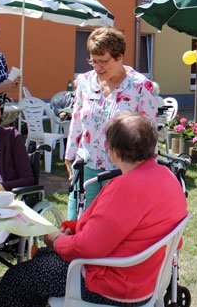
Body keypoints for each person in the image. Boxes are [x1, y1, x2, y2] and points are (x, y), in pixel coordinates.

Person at [0, 113, 188, 307]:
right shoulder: (167, 177)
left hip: (114, 285)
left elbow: (88, 248)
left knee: (17, 279)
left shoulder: (126, 187)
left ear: (112, 151)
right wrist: (74, 231)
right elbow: (117, 228)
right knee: (41, 259)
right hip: (147, 277)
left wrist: (58, 241)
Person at [64, 27, 159, 220]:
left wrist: (148, 173)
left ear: (119, 57)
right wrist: (70, 156)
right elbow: (76, 120)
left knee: (111, 227)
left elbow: (149, 135)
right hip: (86, 165)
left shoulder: (140, 86)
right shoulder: (85, 81)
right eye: (93, 61)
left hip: (122, 171)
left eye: (103, 61)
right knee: (76, 224)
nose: (97, 67)